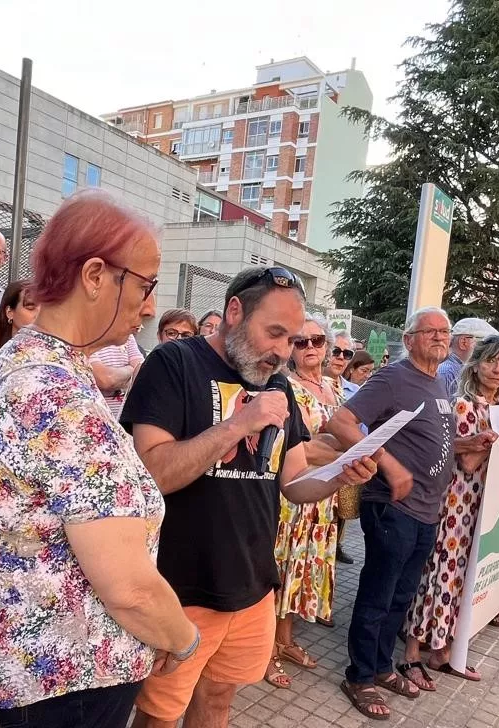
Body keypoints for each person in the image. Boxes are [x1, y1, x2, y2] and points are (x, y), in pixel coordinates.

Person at [0, 190, 200, 728]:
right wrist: (183, 639)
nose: (150, 306)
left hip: (37, 666)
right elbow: (130, 588)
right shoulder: (55, 394)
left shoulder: (32, 359)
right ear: (96, 275)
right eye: (144, 285)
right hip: (68, 678)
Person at [122, 265, 378, 728]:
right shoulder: (175, 363)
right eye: (274, 333)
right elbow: (153, 472)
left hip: (253, 584)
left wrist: (341, 476)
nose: (282, 352)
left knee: (218, 699)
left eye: (293, 340)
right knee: (159, 714)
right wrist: (239, 423)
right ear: (234, 311)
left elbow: (294, 483)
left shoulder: (277, 383)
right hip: (179, 586)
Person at [326, 307, 458, 721]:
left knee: (401, 596)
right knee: (378, 594)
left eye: (445, 331)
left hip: (426, 510)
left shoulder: (437, 382)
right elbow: (341, 421)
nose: (439, 337)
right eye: (430, 331)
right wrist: (389, 463)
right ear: (409, 339)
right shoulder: (392, 377)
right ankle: (360, 675)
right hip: (392, 505)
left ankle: (382, 666)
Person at [399, 334, 499, 691]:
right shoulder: (465, 406)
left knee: (460, 578)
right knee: (438, 575)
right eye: (491, 361)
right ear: (476, 363)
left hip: (485, 507)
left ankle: (442, 649)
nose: (498, 369)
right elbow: (466, 462)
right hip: (456, 504)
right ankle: (411, 653)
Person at [266, 317, 346, 689]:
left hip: (323, 499)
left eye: (317, 340)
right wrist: (326, 451)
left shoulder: (333, 386)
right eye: (300, 341)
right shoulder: (285, 386)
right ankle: (265, 651)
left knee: (303, 569)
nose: (310, 347)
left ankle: (285, 641)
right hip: (294, 494)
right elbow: (290, 446)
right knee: (282, 567)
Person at [324, 332, 362, 564]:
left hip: (347, 461)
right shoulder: (301, 385)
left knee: (343, 512)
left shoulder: (355, 391)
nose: (340, 357)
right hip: (316, 467)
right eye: (336, 351)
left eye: (347, 353)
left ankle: (336, 546)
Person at [436, 317, 498, 396]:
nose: (489, 350)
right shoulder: (448, 373)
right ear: (463, 342)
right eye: (484, 344)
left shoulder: (454, 371)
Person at [91, 332, 144, 419]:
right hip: (98, 419)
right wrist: (131, 369)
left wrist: (116, 380)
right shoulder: (86, 338)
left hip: (126, 420)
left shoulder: (127, 335)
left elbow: (142, 372)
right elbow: (106, 380)